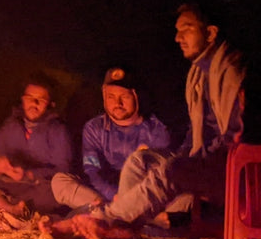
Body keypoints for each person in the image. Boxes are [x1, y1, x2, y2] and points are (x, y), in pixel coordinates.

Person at [77, 4, 246, 237]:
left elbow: (236, 134)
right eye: (177, 31)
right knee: (140, 160)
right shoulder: (198, 73)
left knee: (172, 172)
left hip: (231, 164)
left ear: (210, 33)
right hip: (200, 161)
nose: (178, 38)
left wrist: (190, 163)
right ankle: (128, 226)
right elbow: (196, 131)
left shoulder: (231, 68)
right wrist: (185, 157)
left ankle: (112, 221)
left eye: (186, 29)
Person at [50, 67, 172, 211]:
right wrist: (113, 194)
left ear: (136, 96)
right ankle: (112, 211)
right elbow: (92, 170)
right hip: (105, 196)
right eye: (111, 97)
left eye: (124, 97)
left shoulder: (156, 130)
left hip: (141, 197)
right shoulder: (94, 128)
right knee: (59, 182)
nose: (117, 103)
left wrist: (129, 197)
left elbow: (158, 177)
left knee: (182, 198)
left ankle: (110, 214)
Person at [0, 73, 73, 215]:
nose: (34, 104)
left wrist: (29, 175)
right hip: (7, 184)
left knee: (54, 193)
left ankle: (2, 205)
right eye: (30, 98)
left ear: (50, 104)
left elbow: (63, 169)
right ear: (23, 100)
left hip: (36, 188)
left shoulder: (57, 130)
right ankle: (9, 206)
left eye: (40, 100)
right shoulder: (12, 125)